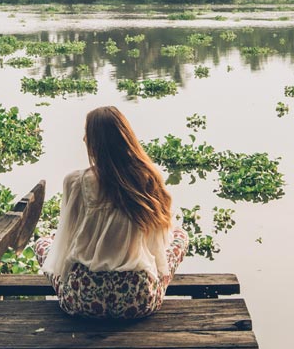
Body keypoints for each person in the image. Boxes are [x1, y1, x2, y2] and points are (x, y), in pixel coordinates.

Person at [35, 105, 188, 319]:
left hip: (83, 299)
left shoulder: (75, 181)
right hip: (137, 301)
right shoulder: (148, 178)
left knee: (43, 243)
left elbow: (65, 243)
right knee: (179, 236)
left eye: (86, 134)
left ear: (95, 142)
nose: (83, 140)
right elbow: (157, 248)